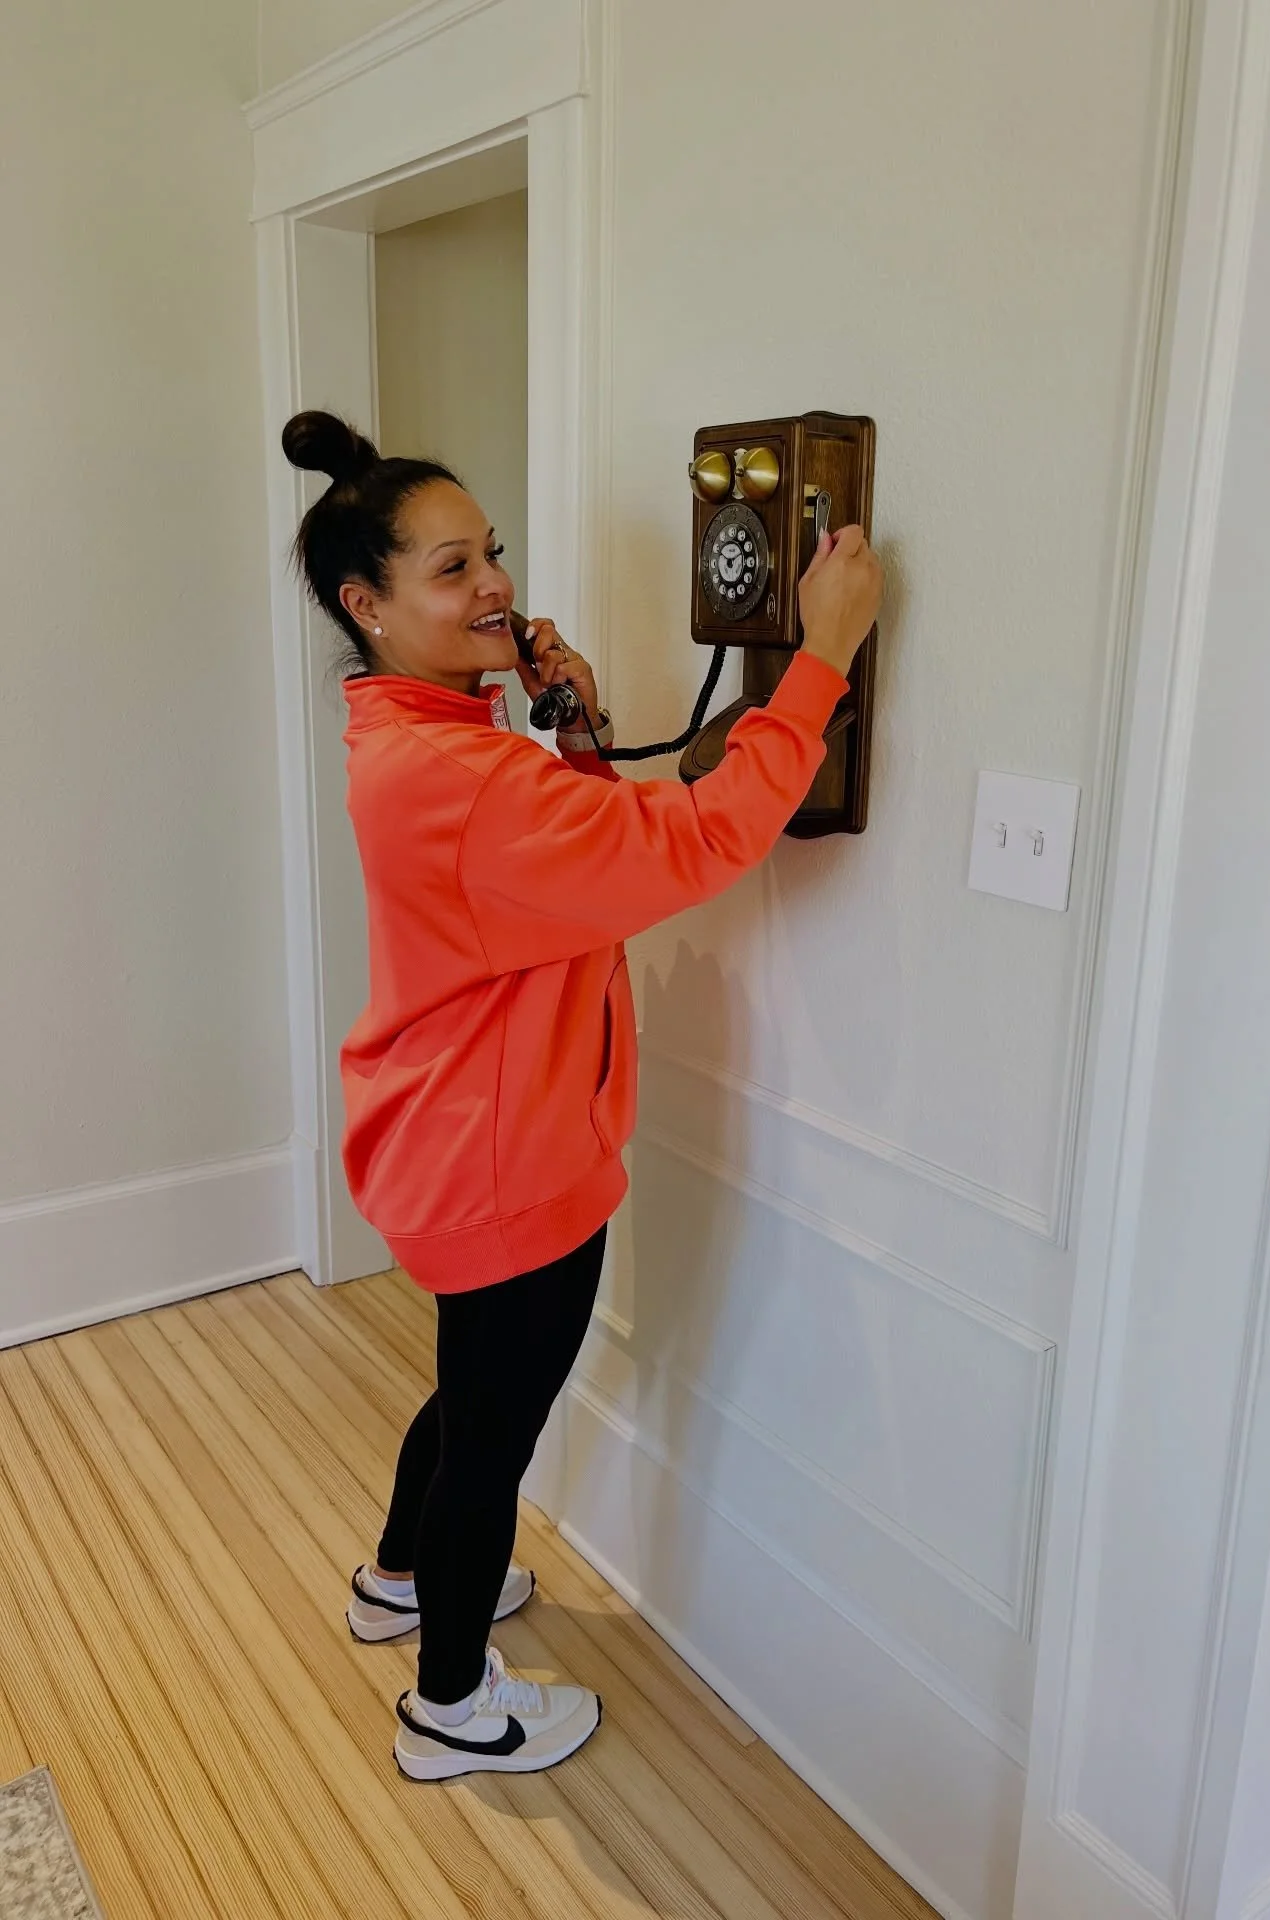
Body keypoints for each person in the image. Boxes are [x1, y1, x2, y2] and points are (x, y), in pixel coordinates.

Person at [282, 409, 883, 1782]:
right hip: (504, 1161)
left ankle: (399, 1578)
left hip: (452, 1133)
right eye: (450, 571)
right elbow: (694, 839)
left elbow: (572, 858)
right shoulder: (463, 774)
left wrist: (570, 720)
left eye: (489, 552)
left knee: (466, 1392)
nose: (493, 584)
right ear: (366, 606)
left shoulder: (420, 736)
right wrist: (824, 658)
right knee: (493, 1433)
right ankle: (451, 1707)